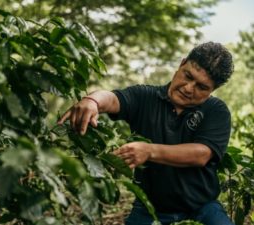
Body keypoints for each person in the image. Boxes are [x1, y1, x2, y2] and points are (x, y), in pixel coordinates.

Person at [58, 42, 234, 225]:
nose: (189, 88)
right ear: (182, 64)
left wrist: (149, 151)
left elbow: (201, 153)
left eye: (202, 87)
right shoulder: (145, 96)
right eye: (188, 76)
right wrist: (92, 100)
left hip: (202, 210)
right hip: (149, 210)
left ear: (213, 90)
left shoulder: (216, 111)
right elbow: (113, 98)